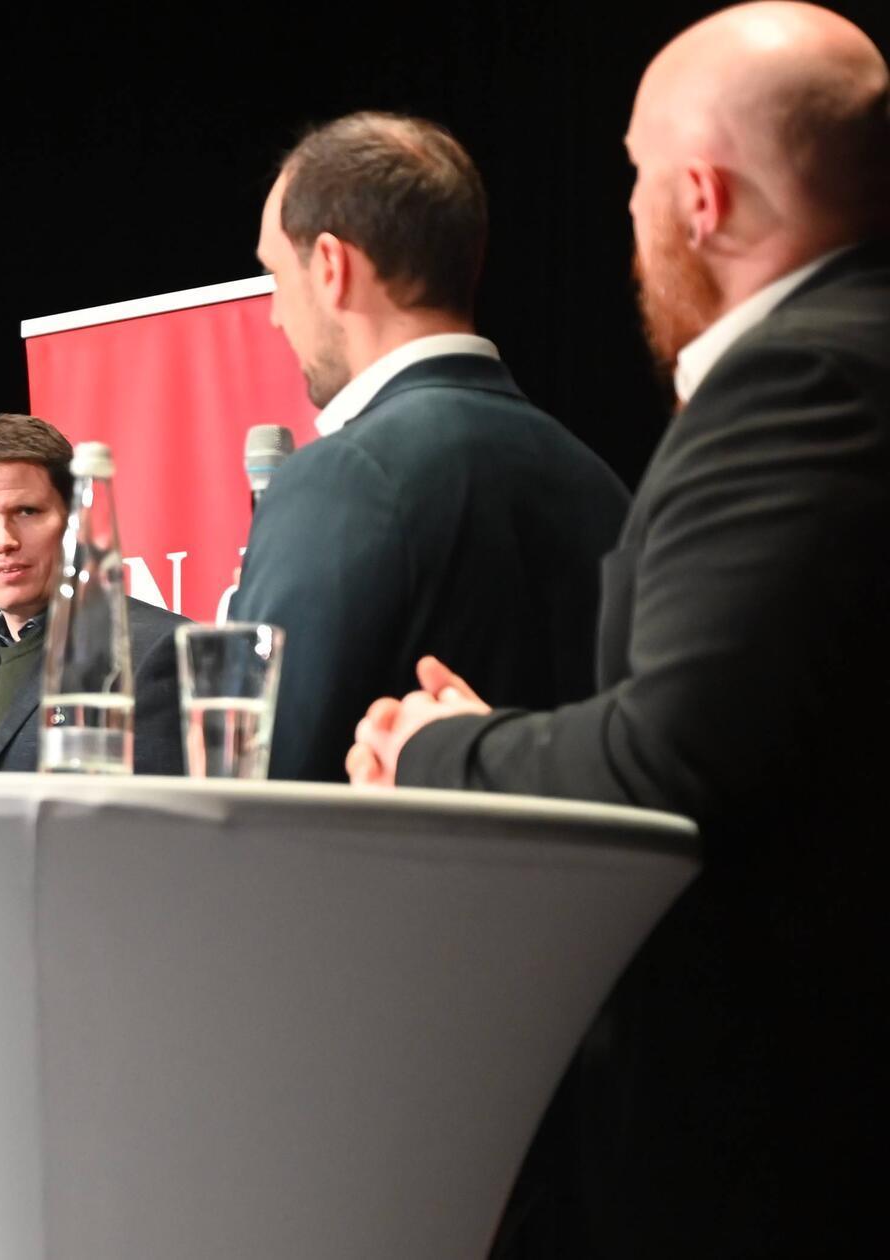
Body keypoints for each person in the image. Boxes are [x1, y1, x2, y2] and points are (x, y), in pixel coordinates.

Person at [349, 5, 890, 1253]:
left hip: (784, 1141)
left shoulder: (793, 384)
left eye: (638, 173)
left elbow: (674, 760)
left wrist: (437, 750)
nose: (632, 214)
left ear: (699, 197)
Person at [232, 112, 630, 783]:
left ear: (331, 266)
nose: (274, 313)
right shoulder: (597, 480)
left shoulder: (340, 479)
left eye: (276, 276)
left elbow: (259, 786)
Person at [0, 414, 186, 775]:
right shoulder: (0, 658)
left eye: (26, 511)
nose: (4, 541)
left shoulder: (151, 652)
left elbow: (153, 826)